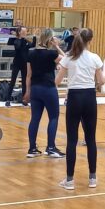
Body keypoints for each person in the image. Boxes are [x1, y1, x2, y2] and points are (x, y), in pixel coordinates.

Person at [56, 28, 105, 190]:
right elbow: (101, 82)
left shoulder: (69, 57)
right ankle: (92, 178)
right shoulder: (94, 58)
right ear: (90, 40)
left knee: (72, 140)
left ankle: (69, 180)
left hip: (75, 98)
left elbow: (57, 81)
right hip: (89, 98)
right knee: (91, 139)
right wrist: (104, 66)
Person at [24, 28, 64, 158]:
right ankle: (51, 147)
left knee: (35, 118)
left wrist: (27, 91)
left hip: (35, 88)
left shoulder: (31, 53)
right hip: (48, 88)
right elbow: (67, 60)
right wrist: (57, 47)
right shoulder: (52, 53)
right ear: (50, 39)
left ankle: (32, 148)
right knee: (53, 117)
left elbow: (28, 75)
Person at [5, 25, 33, 107]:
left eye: (25, 32)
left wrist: (33, 36)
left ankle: (24, 99)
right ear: (20, 32)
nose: (25, 33)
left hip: (24, 63)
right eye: (23, 32)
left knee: (24, 82)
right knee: (13, 81)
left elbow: (33, 44)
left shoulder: (26, 41)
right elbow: (18, 47)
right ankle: (8, 99)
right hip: (17, 63)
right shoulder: (16, 40)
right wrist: (21, 38)